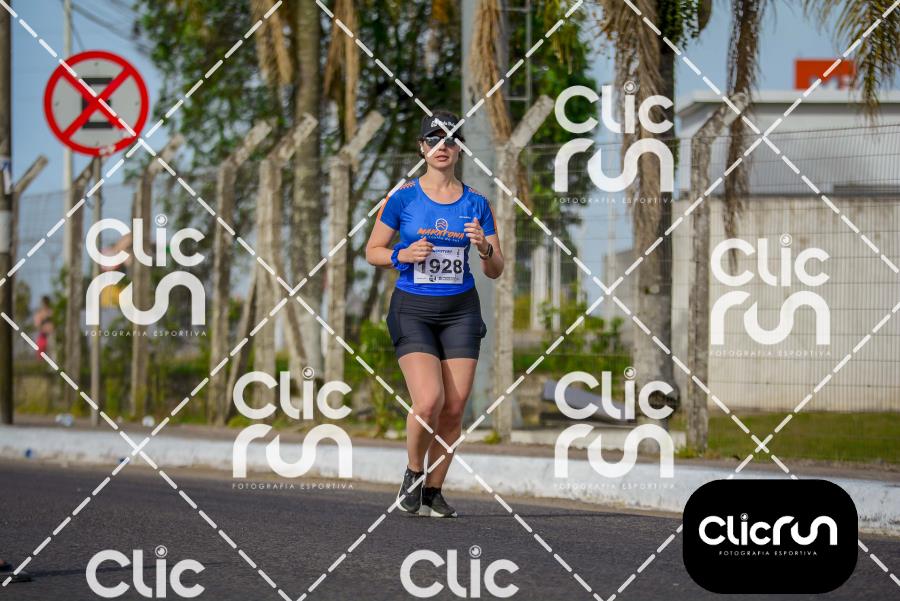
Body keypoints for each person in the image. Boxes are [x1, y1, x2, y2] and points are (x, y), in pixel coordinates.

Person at [365, 111, 504, 517]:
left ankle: (433, 491)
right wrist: (402, 254)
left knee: (455, 408)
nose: (443, 147)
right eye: (434, 140)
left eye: (450, 140)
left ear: (459, 149)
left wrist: (484, 248)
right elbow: (372, 251)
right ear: (422, 148)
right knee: (428, 401)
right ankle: (413, 473)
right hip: (414, 309)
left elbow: (496, 269)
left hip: (461, 311)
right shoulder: (403, 197)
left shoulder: (477, 203)